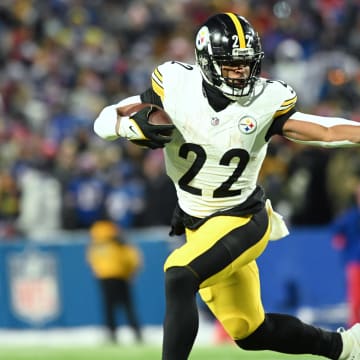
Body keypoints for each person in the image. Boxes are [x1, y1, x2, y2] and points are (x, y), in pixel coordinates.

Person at [93, 12, 360, 360]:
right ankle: (346, 347)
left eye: (247, 65)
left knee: (178, 275)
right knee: (249, 332)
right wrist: (124, 128)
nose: (242, 73)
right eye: (231, 65)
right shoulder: (175, 85)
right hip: (197, 225)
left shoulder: (265, 101)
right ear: (206, 62)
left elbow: (323, 131)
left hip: (242, 218)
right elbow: (110, 116)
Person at [87, 220, 143, 343]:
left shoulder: (97, 241)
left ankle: (112, 334)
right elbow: (132, 258)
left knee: (109, 307)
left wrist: (98, 270)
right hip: (120, 275)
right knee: (127, 306)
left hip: (105, 276)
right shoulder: (119, 239)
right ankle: (137, 333)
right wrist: (131, 272)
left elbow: (92, 258)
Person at [331, 183, 360, 327]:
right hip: (355, 263)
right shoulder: (350, 217)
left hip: (354, 261)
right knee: (355, 299)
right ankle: (355, 331)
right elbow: (336, 235)